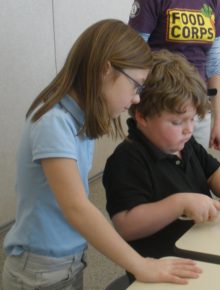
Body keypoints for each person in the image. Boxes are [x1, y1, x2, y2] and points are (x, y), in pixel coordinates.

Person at [1, 19, 202, 290]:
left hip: (67, 261)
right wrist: (140, 264)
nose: (136, 99)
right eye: (136, 86)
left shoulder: (78, 121)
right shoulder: (54, 122)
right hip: (39, 271)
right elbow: (77, 209)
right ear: (106, 70)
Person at [103, 50, 220, 267]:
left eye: (192, 120)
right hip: (165, 267)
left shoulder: (186, 144)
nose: (188, 130)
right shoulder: (127, 159)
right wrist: (178, 204)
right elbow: (125, 226)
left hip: (203, 249)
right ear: (142, 117)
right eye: (177, 122)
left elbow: (214, 171)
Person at [128, 0, 220, 150]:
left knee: (195, 166)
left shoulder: (213, 2)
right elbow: (134, 58)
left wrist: (218, 120)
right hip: (163, 106)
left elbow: (214, 64)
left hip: (198, 106)